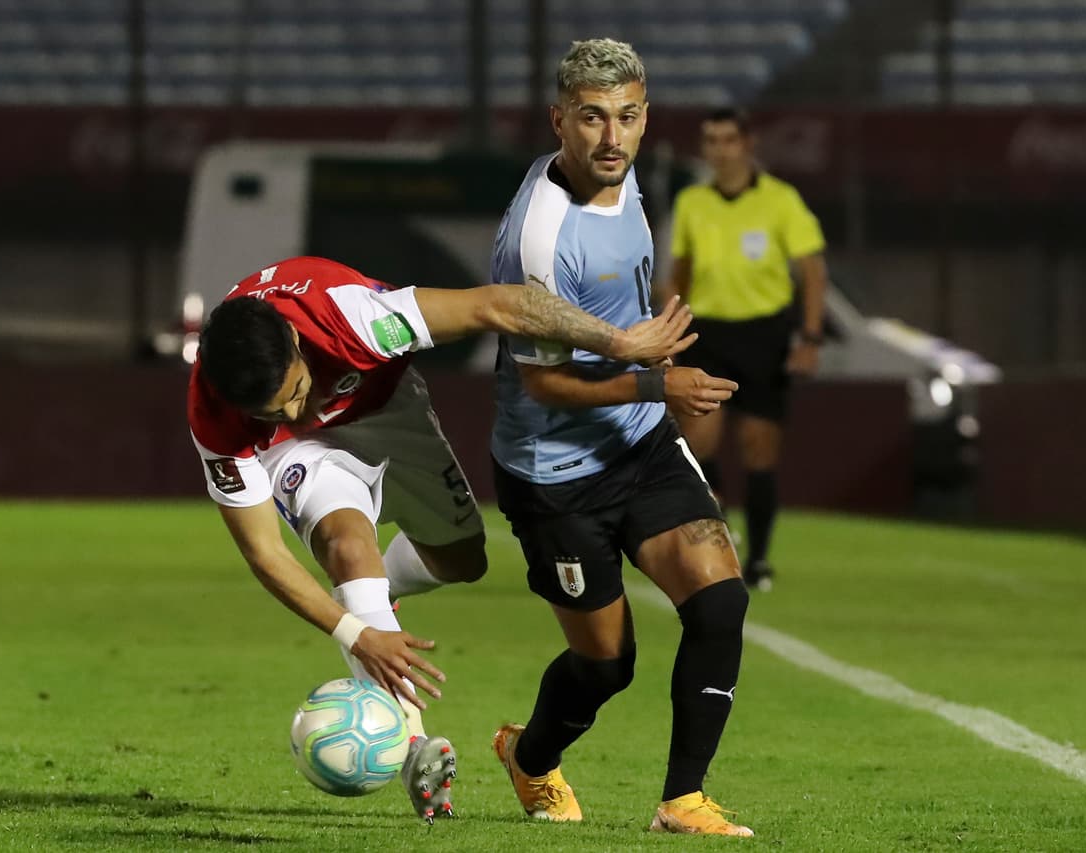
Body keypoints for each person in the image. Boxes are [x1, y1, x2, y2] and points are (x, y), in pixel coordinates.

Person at [187, 255, 694, 823]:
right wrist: (356, 632)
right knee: (347, 546)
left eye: (298, 390)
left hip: (384, 405)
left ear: (297, 342)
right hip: (294, 455)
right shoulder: (214, 414)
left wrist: (619, 344)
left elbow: (500, 304)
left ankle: (368, 591)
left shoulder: (352, 318)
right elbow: (265, 553)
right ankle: (410, 747)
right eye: (272, 410)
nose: (296, 411)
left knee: (461, 559)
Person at [488, 40, 754, 838]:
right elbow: (544, 385)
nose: (612, 137)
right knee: (606, 664)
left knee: (721, 599)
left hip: (639, 443)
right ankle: (529, 756)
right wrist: (656, 382)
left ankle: (683, 800)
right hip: (555, 473)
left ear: (644, 118)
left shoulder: (626, 176)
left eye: (627, 117)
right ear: (558, 121)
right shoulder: (538, 241)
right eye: (592, 118)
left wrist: (650, 379)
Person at [663, 107, 830, 591]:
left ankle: (758, 559)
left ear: (747, 144)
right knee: (698, 443)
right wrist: (669, 328)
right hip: (708, 333)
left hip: (764, 335)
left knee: (759, 448)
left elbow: (812, 271)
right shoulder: (692, 202)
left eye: (728, 140)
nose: (719, 150)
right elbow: (680, 271)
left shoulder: (780, 200)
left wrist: (810, 337)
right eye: (711, 141)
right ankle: (716, 526)